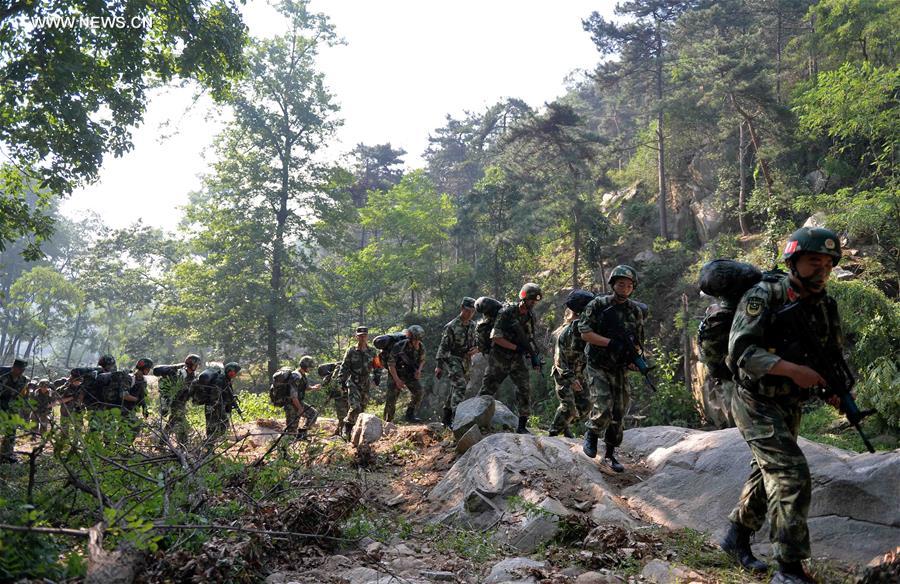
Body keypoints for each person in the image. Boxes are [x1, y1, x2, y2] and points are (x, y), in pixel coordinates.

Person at [721, 227, 845, 584]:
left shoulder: (825, 305)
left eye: (827, 264)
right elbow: (740, 352)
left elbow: (828, 357)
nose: (821, 270)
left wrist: (832, 389)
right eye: (813, 262)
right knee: (791, 474)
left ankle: (735, 539)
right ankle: (788, 569)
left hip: (788, 403)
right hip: (754, 400)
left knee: (766, 473)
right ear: (793, 262)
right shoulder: (764, 295)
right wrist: (793, 370)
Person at [579, 265, 645, 472]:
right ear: (613, 284)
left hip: (619, 367)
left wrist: (633, 357)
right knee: (603, 404)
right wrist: (610, 343)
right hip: (598, 363)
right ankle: (591, 434)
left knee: (620, 409)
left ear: (633, 288)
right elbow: (585, 333)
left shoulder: (635, 310)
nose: (625, 288)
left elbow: (638, 341)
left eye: (629, 285)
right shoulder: (597, 305)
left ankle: (610, 453)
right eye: (621, 284)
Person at [478, 283, 543, 434]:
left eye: (535, 301)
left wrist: (533, 355)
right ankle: (475, 421)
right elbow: (495, 337)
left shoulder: (530, 315)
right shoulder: (507, 311)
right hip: (499, 357)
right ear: (524, 298)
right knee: (487, 390)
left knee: (524, 388)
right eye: (531, 299)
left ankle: (522, 426)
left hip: (517, 358)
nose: (533, 303)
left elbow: (529, 338)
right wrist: (517, 348)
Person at [549, 289, 595, 438]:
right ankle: (553, 434)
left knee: (585, 405)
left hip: (578, 372)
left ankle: (565, 426)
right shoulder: (566, 332)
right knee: (568, 406)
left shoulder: (582, 328)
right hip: (564, 374)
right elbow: (559, 361)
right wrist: (572, 379)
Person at [437, 297, 478, 426]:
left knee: (456, 387)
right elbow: (443, 346)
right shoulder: (451, 326)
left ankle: (446, 417)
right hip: (452, 358)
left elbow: (476, 342)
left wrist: (476, 349)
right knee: (460, 386)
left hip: (466, 360)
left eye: (472, 311)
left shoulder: (472, 325)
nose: (469, 314)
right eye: (467, 310)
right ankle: (457, 419)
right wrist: (439, 366)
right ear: (462, 309)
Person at [339, 327, 379, 438]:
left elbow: (377, 365)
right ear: (356, 337)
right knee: (355, 407)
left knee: (361, 409)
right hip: (353, 382)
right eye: (360, 335)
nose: (362, 337)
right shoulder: (351, 351)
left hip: (365, 382)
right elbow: (344, 366)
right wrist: (341, 380)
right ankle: (346, 429)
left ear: (367, 337)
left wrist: (377, 377)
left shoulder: (372, 351)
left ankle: (356, 433)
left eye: (364, 335)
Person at [384, 325, 427, 423]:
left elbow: (422, 360)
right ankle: (387, 422)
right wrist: (397, 380)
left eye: (419, 340)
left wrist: (419, 371)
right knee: (391, 398)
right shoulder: (399, 346)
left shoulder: (421, 347)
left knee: (419, 392)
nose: (417, 342)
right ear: (410, 338)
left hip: (410, 374)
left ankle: (410, 414)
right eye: (415, 340)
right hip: (396, 373)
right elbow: (391, 364)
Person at [160, 354, 202, 444]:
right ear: (190, 364)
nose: (197, 367)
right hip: (175, 401)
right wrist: (166, 405)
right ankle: (183, 444)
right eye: (196, 365)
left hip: (182, 402)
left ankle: (162, 442)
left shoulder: (193, 375)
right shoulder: (180, 373)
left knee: (172, 422)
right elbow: (171, 389)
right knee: (180, 421)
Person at [197, 362, 241, 443]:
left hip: (218, 407)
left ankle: (209, 443)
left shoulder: (226, 379)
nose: (235, 374)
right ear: (229, 370)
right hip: (212, 407)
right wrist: (220, 408)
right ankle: (208, 445)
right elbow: (215, 396)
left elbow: (227, 394)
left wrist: (229, 404)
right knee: (212, 428)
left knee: (223, 426)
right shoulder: (220, 380)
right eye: (234, 372)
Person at [0, 359, 29, 462]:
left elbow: (23, 395)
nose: (21, 371)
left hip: (11, 407)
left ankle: (6, 454)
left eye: (23, 369)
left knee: (11, 431)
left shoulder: (24, 380)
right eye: (19, 369)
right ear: (13, 367)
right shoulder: (3, 377)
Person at [286, 356, 320, 440]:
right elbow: (293, 396)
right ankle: (286, 448)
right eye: (310, 367)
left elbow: (305, 388)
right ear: (305, 366)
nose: (311, 369)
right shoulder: (296, 376)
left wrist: (313, 388)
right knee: (291, 430)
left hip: (299, 402)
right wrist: (300, 408)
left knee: (313, 414)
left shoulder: (303, 375)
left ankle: (302, 434)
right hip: (291, 405)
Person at [122, 358, 152, 441]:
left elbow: (143, 396)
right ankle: (123, 447)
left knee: (124, 429)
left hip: (131, 409)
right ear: (144, 368)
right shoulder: (130, 378)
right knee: (135, 426)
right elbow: (124, 395)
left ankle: (121, 448)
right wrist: (136, 399)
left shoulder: (143, 380)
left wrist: (144, 409)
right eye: (148, 369)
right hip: (122, 408)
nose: (149, 371)